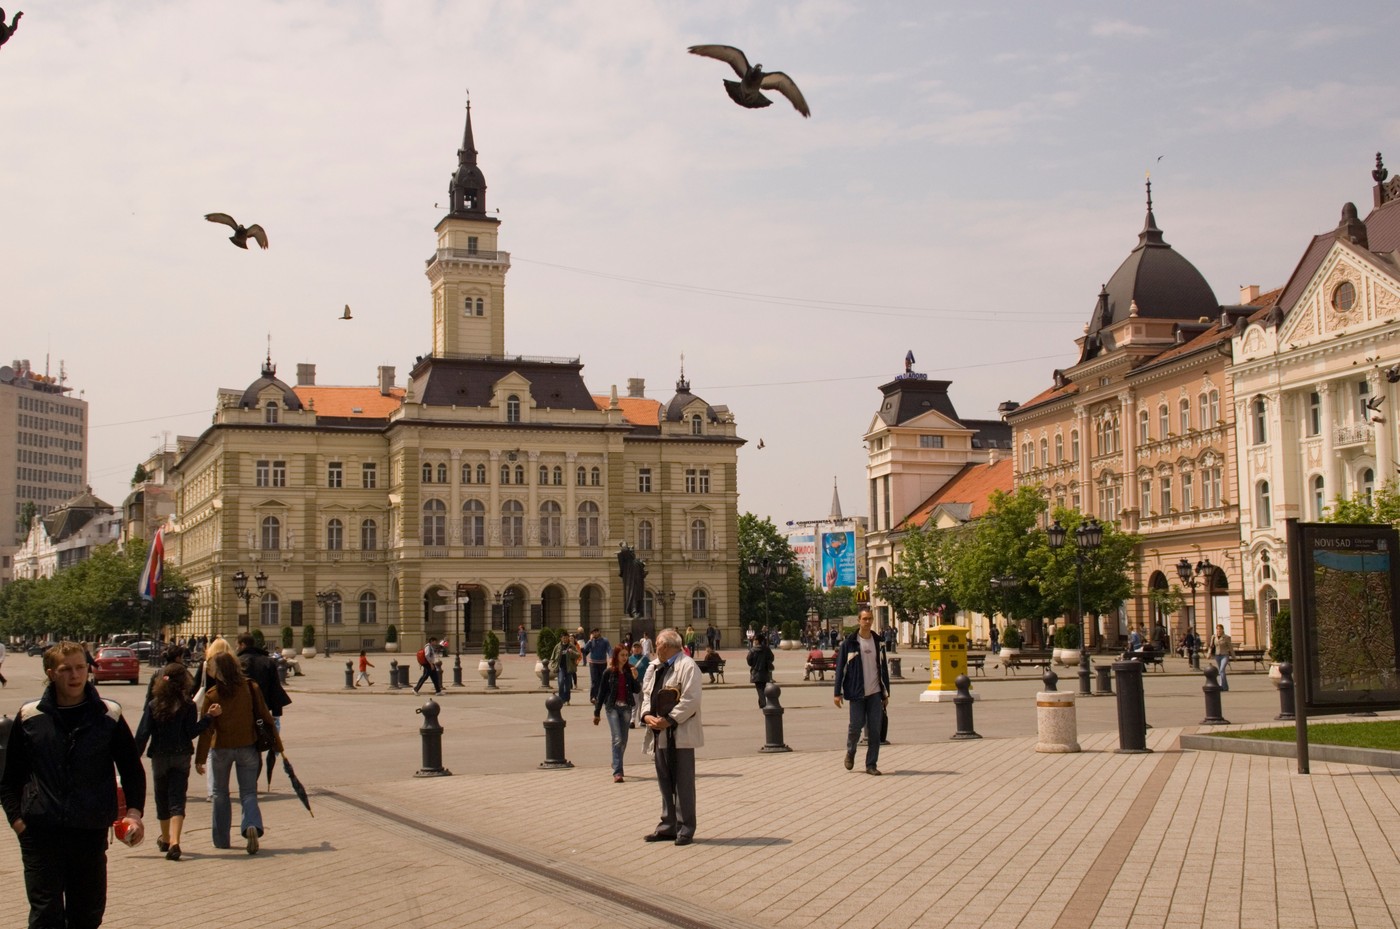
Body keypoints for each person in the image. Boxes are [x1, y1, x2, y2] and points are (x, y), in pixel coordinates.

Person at [2, 642, 147, 927]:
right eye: (65, 669)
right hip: (41, 834)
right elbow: (9, 778)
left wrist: (133, 813)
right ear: (51, 673)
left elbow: (132, 769)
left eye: (80, 667)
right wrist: (18, 822)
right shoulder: (30, 717)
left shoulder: (108, 715)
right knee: (45, 917)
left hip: (89, 832)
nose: (75, 675)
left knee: (87, 914)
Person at [195, 652, 283, 855]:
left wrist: (200, 759)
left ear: (217, 671)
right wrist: (278, 745)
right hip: (247, 747)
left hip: (221, 749)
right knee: (249, 792)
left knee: (220, 793)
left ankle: (221, 840)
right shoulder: (250, 688)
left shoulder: (213, 694)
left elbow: (207, 729)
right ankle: (251, 825)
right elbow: (265, 716)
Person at [135, 662, 221, 861]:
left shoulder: (154, 704)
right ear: (184, 681)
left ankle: (165, 839)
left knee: (162, 797)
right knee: (177, 798)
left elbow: (142, 733)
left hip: (159, 757)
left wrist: (132, 758)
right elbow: (191, 732)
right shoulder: (188, 705)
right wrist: (209, 717)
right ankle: (175, 841)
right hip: (182, 756)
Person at [639, 628, 703, 846]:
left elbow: (691, 699)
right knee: (665, 781)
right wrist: (647, 715)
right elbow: (647, 693)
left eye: (657, 643)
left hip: (679, 734)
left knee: (683, 782)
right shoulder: (656, 666)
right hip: (659, 733)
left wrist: (670, 719)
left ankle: (686, 827)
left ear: (666, 646)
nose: (655, 647)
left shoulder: (687, 666)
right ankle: (668, 825)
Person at [834, 610, 891, 776]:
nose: (867, 621)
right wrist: (837, 693)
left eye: (870, 619)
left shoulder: (878, 642)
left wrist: (886, 693)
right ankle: (851, 751)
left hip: (875, 693)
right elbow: (840, 670)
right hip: (856, 692)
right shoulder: (849, 643)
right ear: (859, 621)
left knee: (875, 730)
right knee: (855, 727)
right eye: (864, 619)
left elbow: (883, 669)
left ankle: (871, 764)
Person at [592, 646, 640, 782]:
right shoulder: (608, 672)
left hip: (626, 708)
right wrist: (597, 712)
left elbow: (637, 690)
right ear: (616, 656)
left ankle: (615, 761)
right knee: (617, 739)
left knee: (623, 741)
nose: (625, 658)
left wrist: (635, 678)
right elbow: (601, 693)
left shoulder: (629, 672)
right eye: (622, 655)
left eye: (626, 655)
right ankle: (618, 772)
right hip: (612, 708)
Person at [236, 632, 291, 735]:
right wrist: (276, 712)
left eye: (237, 645)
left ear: (242, 645)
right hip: (264, 705)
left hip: (244, 707)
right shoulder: (267, 661)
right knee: (268, 735)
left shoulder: (237, 662)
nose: (236, 648)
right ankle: (274, 749)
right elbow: (275, 687)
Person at [581, 628, 612, 703]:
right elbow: (585, 650)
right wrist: (589, 641)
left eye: (596, 632)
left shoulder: (605, 640)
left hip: (602, 663)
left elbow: (609, 649)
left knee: (602, 680)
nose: (595, 633)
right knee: (594, 680)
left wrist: (611, 657)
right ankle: (593, 697)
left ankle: (601, 696)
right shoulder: (591, 641)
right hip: (593, 663)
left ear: (599, 632)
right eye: (593, 632)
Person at [551, 632, 580, 704]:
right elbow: (553, 657)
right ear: (561, 638)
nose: (565, 639)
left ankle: (567, 699)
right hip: (561, 668)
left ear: (568, 638)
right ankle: (561, 699)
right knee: (560, 682)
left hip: (569, 668)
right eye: (563, 638)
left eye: (566, 638)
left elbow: (578, 655)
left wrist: (572, 652)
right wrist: (553, 665)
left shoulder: (571, 646)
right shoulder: (558, 646)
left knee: (567, 685)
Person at [747, 633, 774, 707]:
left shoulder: (752, 650)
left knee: (760, 689)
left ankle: (763, 703)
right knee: (762, 688)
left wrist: (753, 664)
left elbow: (749, 661)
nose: (754, 641)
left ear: (758, 641)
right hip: (764, 671)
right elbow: (772, 658)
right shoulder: (766, 649)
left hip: (756, 672)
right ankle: (761, 703)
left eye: (755, 640)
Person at [628, 642, 649, 727]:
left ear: (641, 649)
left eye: (638, 647)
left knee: (643, 701)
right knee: (634, 702)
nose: (636, 649)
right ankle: (632, 720)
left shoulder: (645, 659)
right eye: (635, 647)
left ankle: (641, 719)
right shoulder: (629, 659)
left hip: (643, 683)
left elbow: (649, 671)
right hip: (634, 683)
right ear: (632, 649)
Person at [1209, 623, 1233, 691]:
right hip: (1217, 655)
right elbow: (1211, 646)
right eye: (1217, 629)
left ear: (1222, 630)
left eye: (1220, 629)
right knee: (1221, 671)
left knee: (1221, 670)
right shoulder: (1213, 637)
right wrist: (1209, 654)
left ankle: (1221, 685)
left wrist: (1234, 657)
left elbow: (1230, 647)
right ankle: (1225, 687)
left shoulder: (1227, 637)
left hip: (1225, 655)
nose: (1218, 630)